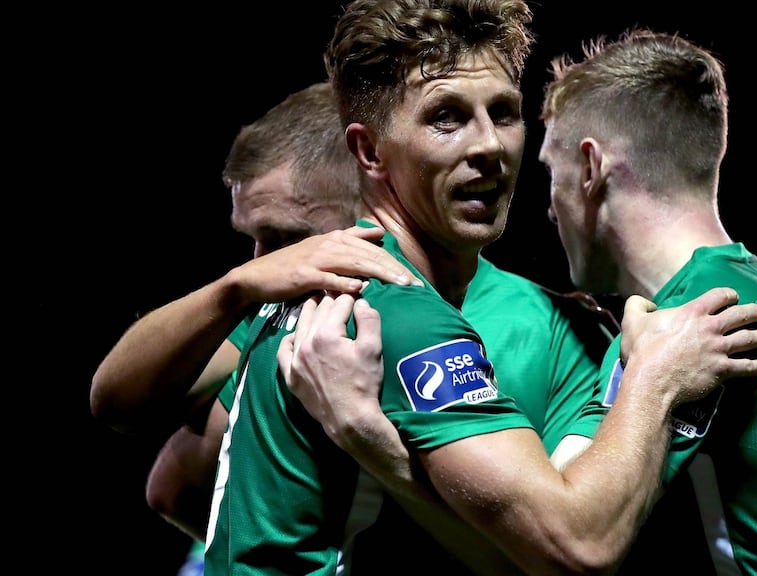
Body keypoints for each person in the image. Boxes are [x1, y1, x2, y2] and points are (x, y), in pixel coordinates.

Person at [203, 1, 757, 575]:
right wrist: (656, 380)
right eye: (446, 117)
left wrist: (373, 445)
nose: (490, 146)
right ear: (370, 151)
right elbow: (578, 549)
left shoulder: (342, 284)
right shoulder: (392, 314)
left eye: (503, 113)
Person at [294, 26, 757, 574]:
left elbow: (553, 540)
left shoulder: (677, 332)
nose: (548, 207)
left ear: (591, 167)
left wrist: (365, 433)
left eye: (552, 171)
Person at [94, 79, 619, 573]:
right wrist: (236, 287)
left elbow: (551, 548)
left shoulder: (550, 330)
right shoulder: (293, 297)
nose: (269, 262)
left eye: (287, 237)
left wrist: (370, 445)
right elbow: (130, 421)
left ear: (372, 190)